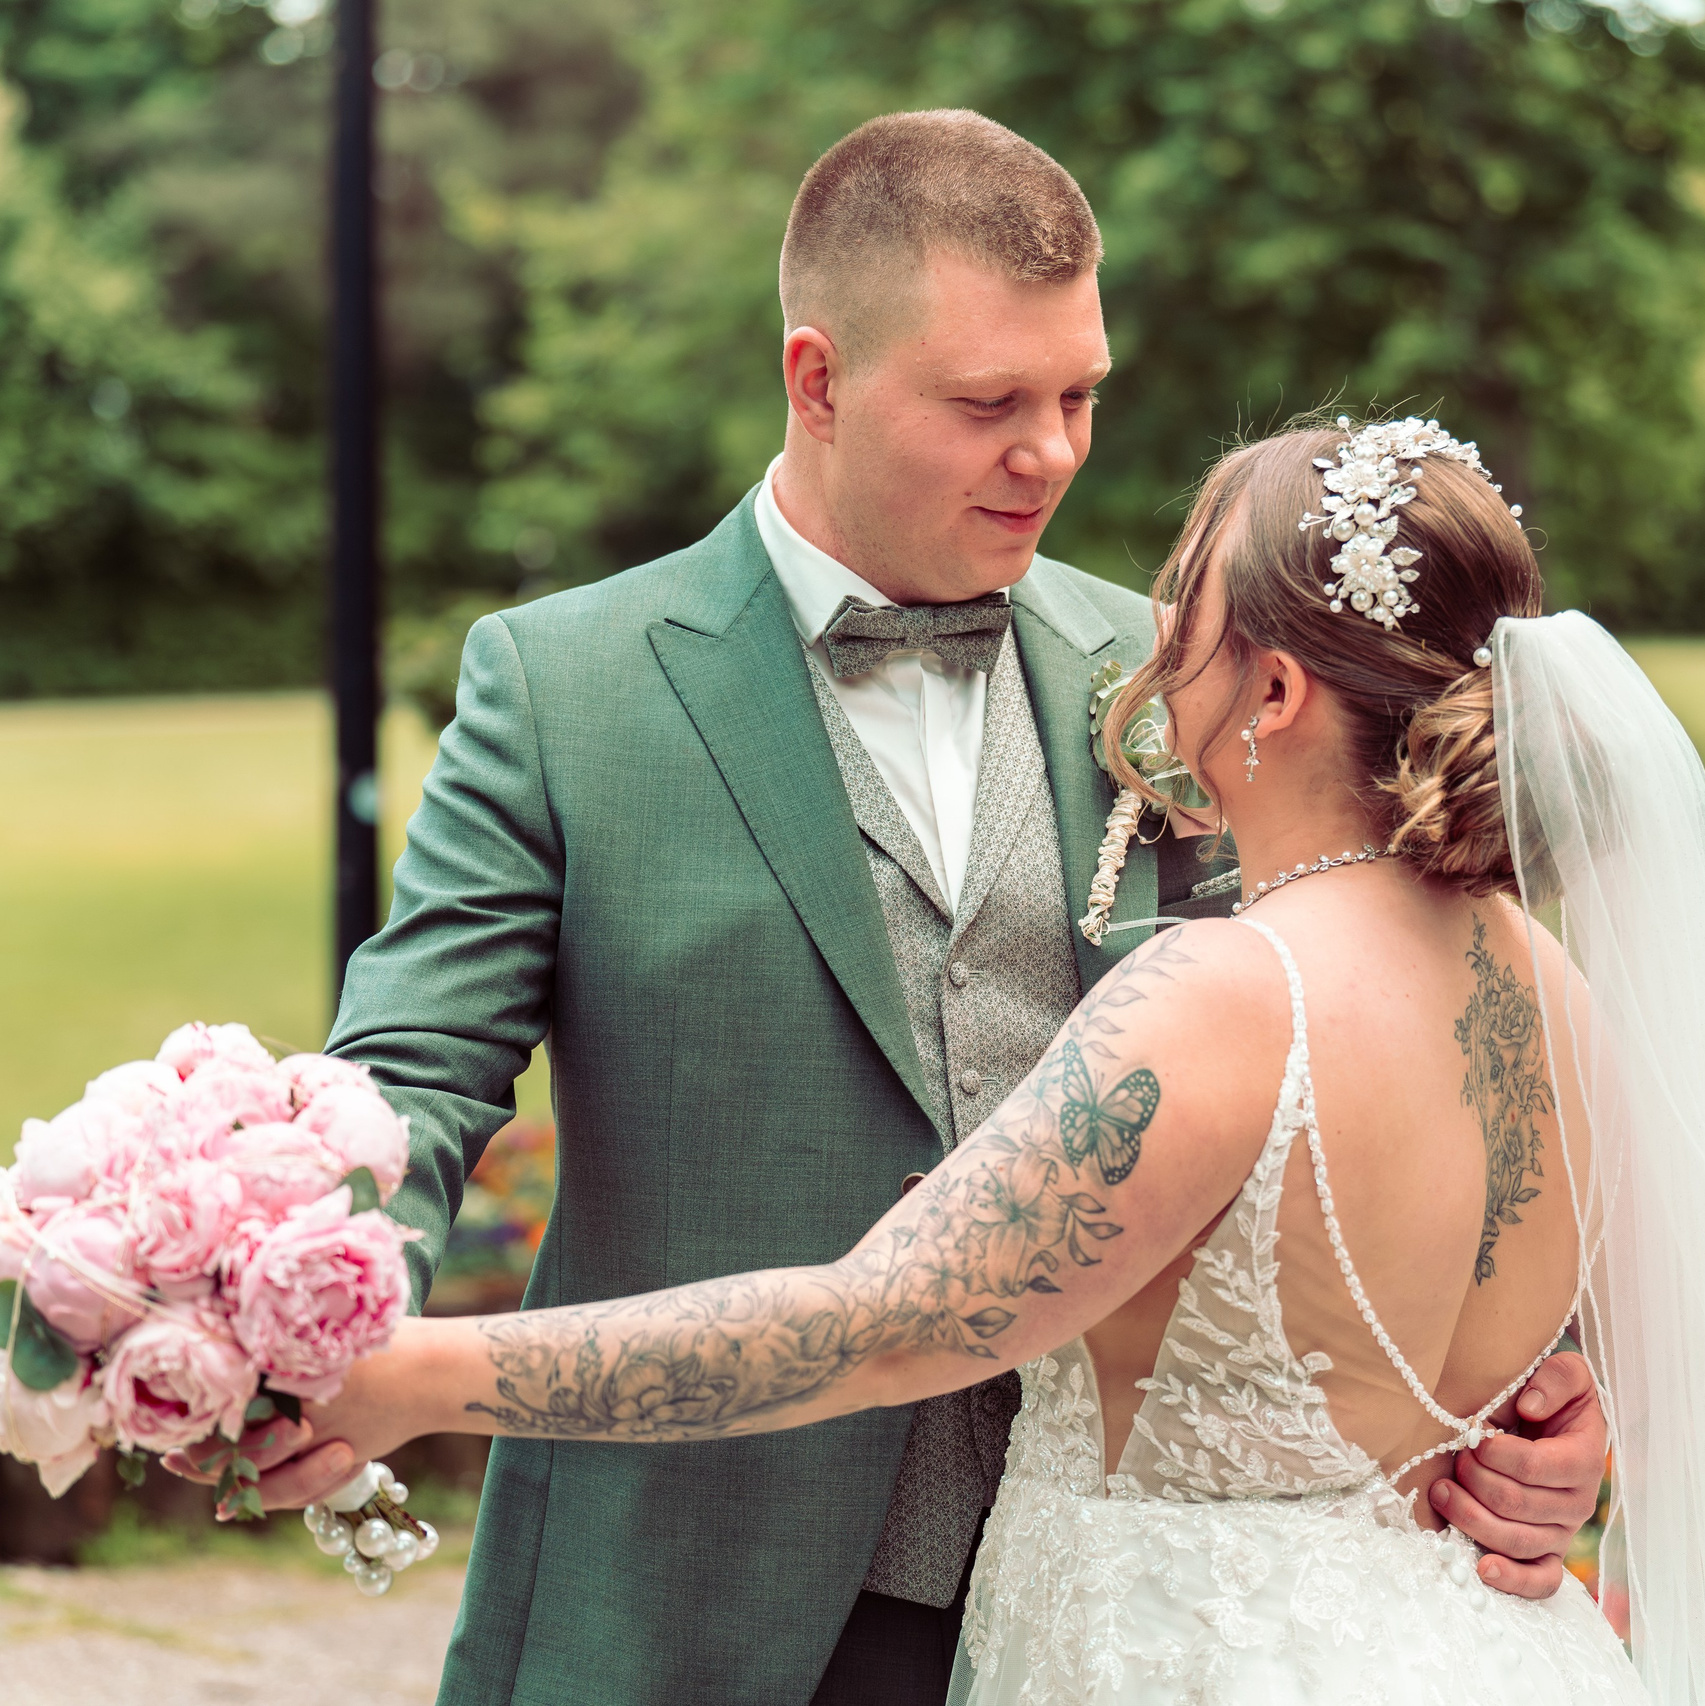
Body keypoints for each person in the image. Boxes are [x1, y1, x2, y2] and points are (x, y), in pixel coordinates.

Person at [184, 117, 1610, 1704]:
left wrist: (1552, 1406)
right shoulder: (563, 683)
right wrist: (306, 1317)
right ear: (816, 379)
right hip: (686, 1585)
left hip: (1109, 1600)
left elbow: (1387, 1076)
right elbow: (416, 1072)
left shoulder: (1195, 678)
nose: (1053, 453)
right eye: (989, 403)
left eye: (1079, 395)